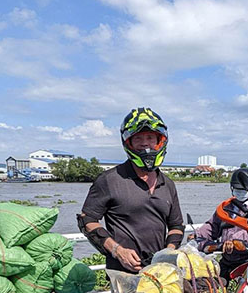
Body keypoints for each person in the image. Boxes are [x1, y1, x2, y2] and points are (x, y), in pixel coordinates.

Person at [78, 107, 185, 273]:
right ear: (128, 143)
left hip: (159, 272)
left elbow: (176, 225)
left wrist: (168, 253)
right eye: (138, 138)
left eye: (150, 137)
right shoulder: (110, 180)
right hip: (122, 274)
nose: (145, 143)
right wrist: (118, 251)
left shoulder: (168, 184)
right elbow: (87, 220)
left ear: (160, 141)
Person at [193, 167, 248, 280]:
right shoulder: (225, 207)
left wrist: (234, 241)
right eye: (237, 189)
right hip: (226, 257)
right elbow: (212, 226)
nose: (240, 192)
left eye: (243, 190)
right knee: (213, 284)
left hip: (247, 259)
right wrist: (196, 235)